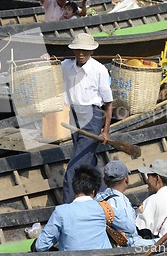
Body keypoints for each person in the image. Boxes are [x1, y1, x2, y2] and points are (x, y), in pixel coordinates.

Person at [61, 33, 113, 204]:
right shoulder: (67, 65)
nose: (81, 54)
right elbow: (52, 65)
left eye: (85, 51)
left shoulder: (99, 70)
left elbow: (108, 103)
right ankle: (106, 197)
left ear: (91, 52)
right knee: (88, 161)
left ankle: (68, 207)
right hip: (74, 116)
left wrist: (105, 131)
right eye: (78, 50)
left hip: (93, 118)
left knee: (73, 169)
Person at [34, 165, 135, 251]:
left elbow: (40, 246)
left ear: (74, 188)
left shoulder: (61, 212)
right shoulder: (103, 208)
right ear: (94, 190)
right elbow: (130, 228)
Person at [95, 160, 154, 247]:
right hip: (128, 246)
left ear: (104, 180)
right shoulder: (120, 201)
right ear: (126, 179)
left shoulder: (98, 198)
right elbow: (131, 232)